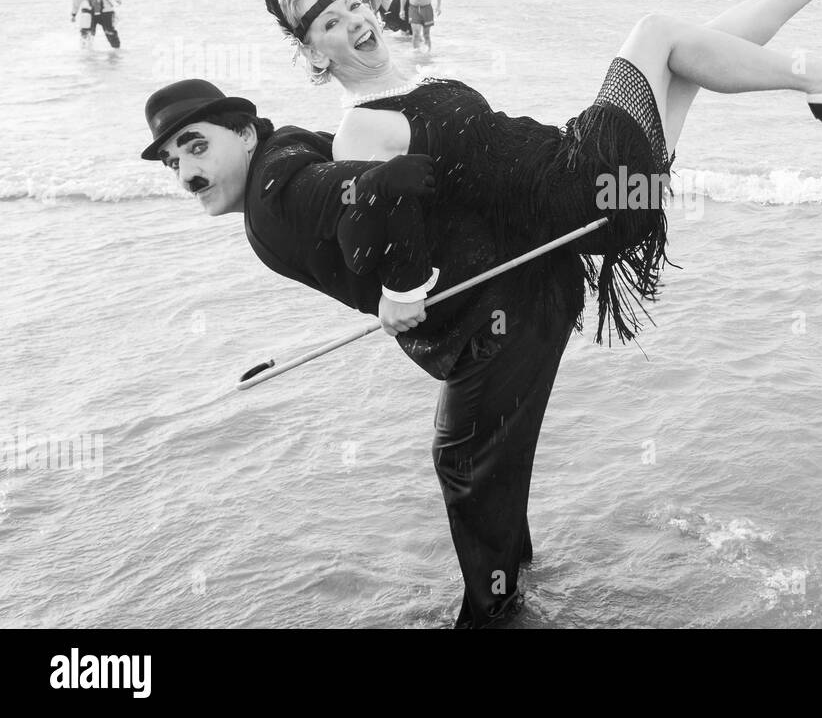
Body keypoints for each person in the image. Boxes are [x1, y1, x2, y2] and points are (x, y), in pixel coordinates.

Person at [247, 0, 822, 624]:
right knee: (660, 33)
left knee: (690, 53)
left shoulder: (402, 73)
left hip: (584, 185)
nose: (354, 21)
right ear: (313, 57)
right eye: (330, 24)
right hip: (581, 191)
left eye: (353, 5)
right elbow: (374, 221)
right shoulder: (360, 126)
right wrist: (394, 292)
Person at [140, 78, 577, 628]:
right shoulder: (288, 149)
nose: (186, 175)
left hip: (507, 305)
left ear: (245, 133)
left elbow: (392, 182)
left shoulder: (274, 191)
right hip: (523, 284)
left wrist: (403, 285)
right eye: (171, 162)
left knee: (465, 458)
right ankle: (515, 575)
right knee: (484, 454)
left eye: (197, 147)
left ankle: (495, 617)